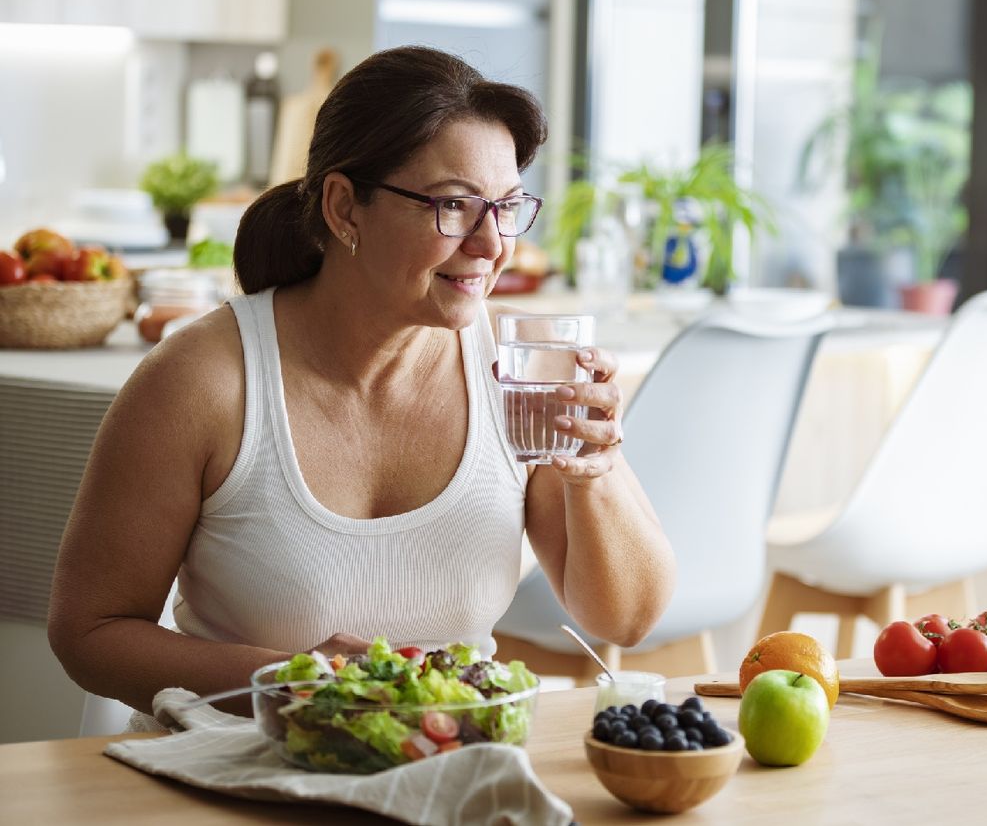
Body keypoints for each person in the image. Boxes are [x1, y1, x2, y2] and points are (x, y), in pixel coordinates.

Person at [48, 46, 675, 720]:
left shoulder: (524, 371)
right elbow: (90, 634)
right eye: (454, 206)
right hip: (230, 771)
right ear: (345, 208)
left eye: (508, 207)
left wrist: (595, 472)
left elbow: (626, 621)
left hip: (450, 772)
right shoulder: (202, 382)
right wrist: (288, 681)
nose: (492, 244)